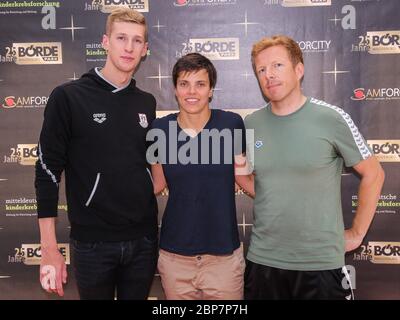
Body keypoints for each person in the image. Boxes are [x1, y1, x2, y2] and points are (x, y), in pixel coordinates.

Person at [242, 35, 385, 300]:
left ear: (299, 69)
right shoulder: (251, 124)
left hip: (320, 265)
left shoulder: (331, 118)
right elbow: (251, 178)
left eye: (277, 66)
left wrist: (356, 234)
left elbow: (374, 174)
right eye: (261, 70)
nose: (268, 75)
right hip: (263, 261)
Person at [35, 8, 158, 300]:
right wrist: (50, 249)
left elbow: (148, 165)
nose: (129, 47)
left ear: (145, 50)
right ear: (105, 42)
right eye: (121, 38)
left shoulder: (147, 102)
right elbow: (47, 172)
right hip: (92, 244)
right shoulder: (68, 97)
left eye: (137, 41)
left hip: (143, 240)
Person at [148, 53, 251, 300]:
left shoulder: (232, 124)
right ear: (175, 89)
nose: (191, 91)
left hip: (224, 259)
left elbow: (245, 178)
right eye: (184, 84)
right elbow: (156, 184)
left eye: (200, 84)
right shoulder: (159, 129)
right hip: (175, 259)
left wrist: (289, 196)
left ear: (211, 90)